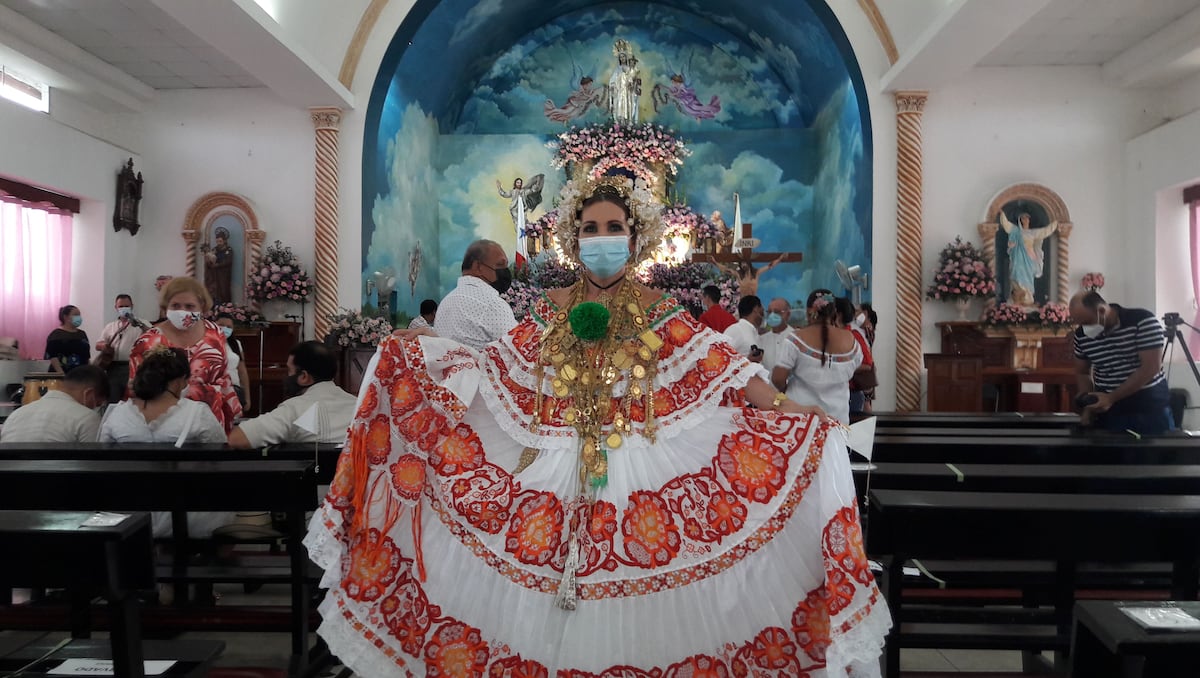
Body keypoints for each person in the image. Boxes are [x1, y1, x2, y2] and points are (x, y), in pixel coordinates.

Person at [306, 176, 888, 676]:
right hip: (555, 462)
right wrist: (427, 349)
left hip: (642, 463)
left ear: (634, 238)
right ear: (574, 238)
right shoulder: (553, 305)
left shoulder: (656, 306)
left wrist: (789, 410)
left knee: (642, 599)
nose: (602, 238)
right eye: (591, 228)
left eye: (614, 227)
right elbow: (498, 363)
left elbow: (721, 365)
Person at [101, 346, 229, 538]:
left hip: (126, 509)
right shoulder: (196, 413)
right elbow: (220, 460)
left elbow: (102, 460)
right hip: (188, 512)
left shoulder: (117, 413)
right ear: (179, 382)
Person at [128, 277, 242, 433]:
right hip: (165, 422)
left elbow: (223, 376)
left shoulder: (215, 333)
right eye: (176, 306)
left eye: (189, 306)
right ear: (166, 306)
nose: (183, 311)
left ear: (201, 307)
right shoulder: (148, 341)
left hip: (211, 417)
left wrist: (231, 413)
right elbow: (135, 387)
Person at [1070, 291, 1171, 434]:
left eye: (1086, 322)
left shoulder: (1142, 321)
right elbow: (1083, 372)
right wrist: (1088, 405)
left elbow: (1151, 367)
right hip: (1109, 412)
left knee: (1156, 448)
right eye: (1080, 324)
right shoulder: (1081, 335)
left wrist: (1112, 397)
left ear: (1101, 311)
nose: (1084, 329)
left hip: (1148, 408)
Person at [228, 341, 355, 448]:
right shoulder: (358, 405)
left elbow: (237, 439)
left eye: (289, 370)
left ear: (304, 377)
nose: (286, 376)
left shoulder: (295, 408)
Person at [773, 293, 863, 424]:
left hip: (802, 417)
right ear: (834, 312)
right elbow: (856, 366)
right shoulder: (851, 340)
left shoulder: (795, 339)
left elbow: (778, 378)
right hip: (838, 419)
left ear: (809, 312)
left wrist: (785, 389)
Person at [432, 239, 516, 350]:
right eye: (500, 265)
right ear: (478, 267)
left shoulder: (445, 302)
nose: (505, 271)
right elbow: (518, 350)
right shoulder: (492, 305)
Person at [0, 365, 106, 443]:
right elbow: (93, 461)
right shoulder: (87, 417)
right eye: (97, 404)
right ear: (89, 394)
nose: (95, 408)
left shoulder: (16, 415)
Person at [96, 294, 150, 403]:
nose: (124, 309)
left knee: (133, 399)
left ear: (132, 306)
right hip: (113, 367)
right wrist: (104, 346)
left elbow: (153, 335)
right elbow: (98, 344)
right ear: (116, 307)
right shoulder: (110, 326)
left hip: (134, 367)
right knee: (113, 398)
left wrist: (139, 324)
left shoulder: (142, 323)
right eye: (121, 306)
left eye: (126, 306)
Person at [999, 211, 1058, 306]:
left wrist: (1055, 223)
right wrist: (1002, 214)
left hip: (1029, 259)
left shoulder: (1033, 233)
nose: (1025, 220)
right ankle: (1017, 299)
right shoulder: (1016, 231)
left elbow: (1045, 231)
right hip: (1018, 259)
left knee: (1028, 278)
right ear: (1020, 220)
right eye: (1023, 218)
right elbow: (1006, 225)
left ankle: (1027, 298)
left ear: (1029, 220)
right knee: (1017, 275)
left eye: (1027, 218)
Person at [215, 313, 251, 413]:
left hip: (235, 389)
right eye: (221, 325)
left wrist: (247, 397)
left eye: (229, 327)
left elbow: (242, 372)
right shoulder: (208, 343)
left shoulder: (236, 344)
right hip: (216, 390)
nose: (225, 328)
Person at [45, 305, 90, 374]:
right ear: (66, 317)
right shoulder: (56, 335)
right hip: (61, 374)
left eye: (79, 315)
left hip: (80, 374)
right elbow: (53, 357)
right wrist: (61, 374)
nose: (78, 317)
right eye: (75, 315)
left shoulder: (82, 334)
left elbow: (86, 356)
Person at [716, 254, 786, 297]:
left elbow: (770, 266)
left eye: (744, 263)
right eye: (741, 264)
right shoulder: (739, 274)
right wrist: (715, 262)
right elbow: (726, 270)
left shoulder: (756, 272)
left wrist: (780, 259)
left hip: (753, 300)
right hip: (744, 301)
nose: (743, 265)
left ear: (748, 263)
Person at [758, 296, 795, 373]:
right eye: (769, 312)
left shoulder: (796, 338)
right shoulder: (761, 340)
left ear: (788, 314)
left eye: (777, 312)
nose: (772, 315)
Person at [723, 294, 764, 360]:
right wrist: (748, 360)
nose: (763, 316)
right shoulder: (735, 329)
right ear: (756, 309)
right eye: (762, 311)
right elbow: (720, 356)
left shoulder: (754, 332)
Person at [203, 227, 234, 305]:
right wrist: (209, 261)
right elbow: (210, 261)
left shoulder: (229, 250)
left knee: (223, 290)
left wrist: (218, 265)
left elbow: (228, 261)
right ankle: (214, 305)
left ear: (224, 241)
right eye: (217, 241)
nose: (218, 243)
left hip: (223, 275)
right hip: (214, 275)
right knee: (214, 290)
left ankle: (224, 306)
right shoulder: (215, 249)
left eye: (220, 241)